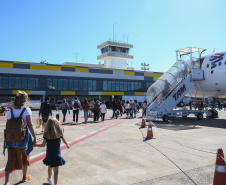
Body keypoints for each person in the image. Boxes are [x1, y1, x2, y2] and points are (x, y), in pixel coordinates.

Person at [4, 91, 37, 185]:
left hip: (11, 138)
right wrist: (35, 136)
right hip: (23, 138)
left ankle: (7, 182)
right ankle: (24, 176)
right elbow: (30, 125)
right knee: (25, 157)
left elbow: (8, 124)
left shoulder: (10, 110)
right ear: (25, 100)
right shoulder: (26, 110)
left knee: (10, 160)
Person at [34, 118, 70, 185]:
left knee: (50, 167)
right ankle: (55, 184)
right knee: (56, 171)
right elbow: (64, 140)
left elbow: (43, 145)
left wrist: (36, 145)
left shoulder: (46, 133)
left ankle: (50, 179)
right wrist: (67, 144)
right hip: (57, 154)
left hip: (49, 154)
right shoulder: (59, 132)